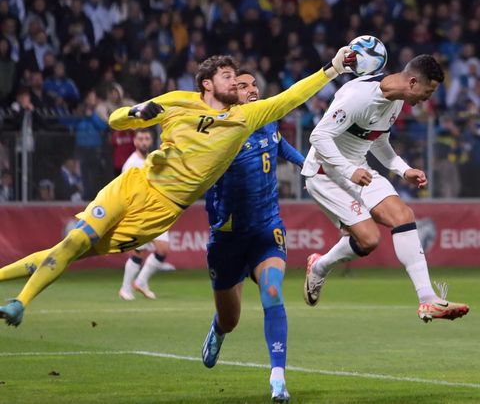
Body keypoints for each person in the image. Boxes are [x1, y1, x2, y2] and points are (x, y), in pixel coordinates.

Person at [0, 48, 355, 329]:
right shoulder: (178, 101)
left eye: (237, 78)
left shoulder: (245, 117)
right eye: (228, 77)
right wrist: (136, 112)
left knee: (75, 252)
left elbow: (291, 97)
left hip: (161, 212)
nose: (237, 84)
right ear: (206, 83)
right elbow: (114, 120)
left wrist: (332, 69)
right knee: (73, 241)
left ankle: (16, 298)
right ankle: (20, 302)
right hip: (134, 184)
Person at [302, 55, 469, 323]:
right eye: (428, 92)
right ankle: (319, 266)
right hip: (325, 173)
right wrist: (348, 170)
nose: (427, 99)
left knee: (403, 216)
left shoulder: (397, 101)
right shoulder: (359, 95)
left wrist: (404, 170)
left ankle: (428, 300)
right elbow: (318, 136)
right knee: (368, 240)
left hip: (358, 170)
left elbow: (378, 141)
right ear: (413, 82)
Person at [202, 71, 304, 402]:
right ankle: (218, 329)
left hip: (265, 229)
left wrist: (312, 167)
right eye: (242, 86)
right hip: (227, 241)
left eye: (254, 84)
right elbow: (201, 184)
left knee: (272, 292)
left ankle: (278, 379)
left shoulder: (269, 120)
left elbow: (282, 147)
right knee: (231, 319)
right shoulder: (221, 131)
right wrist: (214, 220)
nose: (252, 89)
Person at [119, 128, 174, 301]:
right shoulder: (130, 164)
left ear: (151, 141)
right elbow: (125, 191)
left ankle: (140, 281)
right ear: (135, 141)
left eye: (147, 138)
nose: (144, 142)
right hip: (140, 212)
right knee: (139, 252)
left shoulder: (155, 159)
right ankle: (126, 288)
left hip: (156, 210)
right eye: (140, 138)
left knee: (163, 250)